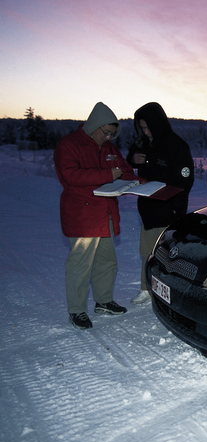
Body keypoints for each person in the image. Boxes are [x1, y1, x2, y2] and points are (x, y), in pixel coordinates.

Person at [54, 102, 143, 329]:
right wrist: (108, 174)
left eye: (112, 134)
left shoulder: (110, 149)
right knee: (80, 265)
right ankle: (77, 310)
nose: (108, 138)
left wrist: (138, 181)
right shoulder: (69, 145)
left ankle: (103, 301)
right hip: (82, 216)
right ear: (94, 125)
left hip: (105, 214)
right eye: (106, 132)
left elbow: (124, 169)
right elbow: (70, 176)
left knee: (107, 262)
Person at [126, 102, 194, 304]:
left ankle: (169, 291)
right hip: (148, 209)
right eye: (142, 128)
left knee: (168, 255)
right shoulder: (145, 143)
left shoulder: (177, 146)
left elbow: (185, 182)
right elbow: (130, 157)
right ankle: (146, 288)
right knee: (147, 252)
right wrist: (133, 159)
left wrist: (175, 209)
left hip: (170, 211)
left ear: (157, 124)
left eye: (147, 127)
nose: (145, 132)